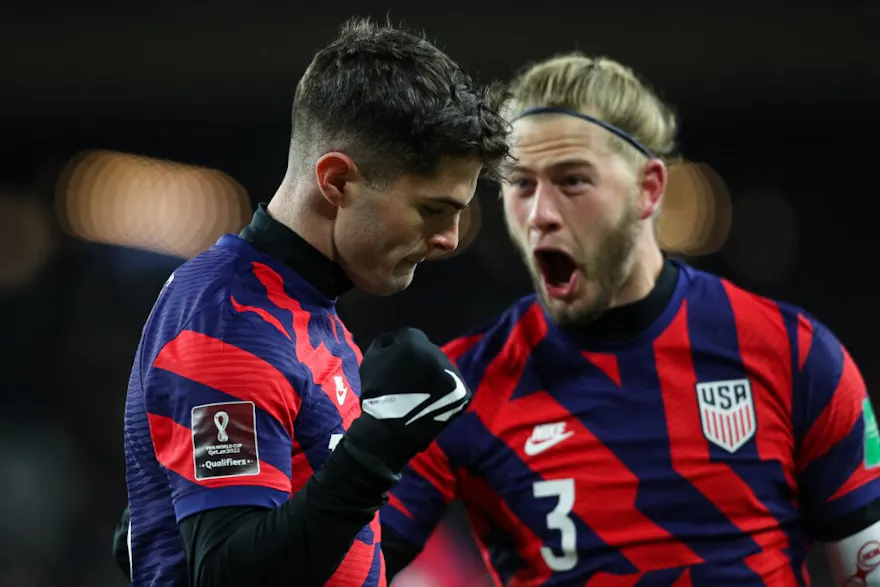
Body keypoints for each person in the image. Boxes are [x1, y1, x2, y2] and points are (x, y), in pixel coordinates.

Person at [379, 53, 880, 586]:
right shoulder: (463, 384)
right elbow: (344, 570)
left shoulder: (792, 354)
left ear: (649, 189)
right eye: (521, 184)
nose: (540, 213)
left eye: (572, 181)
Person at [119, 17, 509, 587]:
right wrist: (380, 444)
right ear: (337, 181)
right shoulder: (230, 322)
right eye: (432, 209)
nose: (450, 238)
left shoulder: (306, 314)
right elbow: (229, 575)